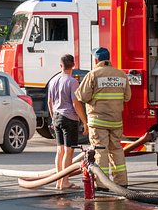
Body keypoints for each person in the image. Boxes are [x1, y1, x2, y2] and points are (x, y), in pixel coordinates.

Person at [75, 47, 131, 190]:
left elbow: (82, 96)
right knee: (117, 149)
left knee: (100, 151)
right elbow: (127, 97)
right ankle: (121, 182)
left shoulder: (93, 75)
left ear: (96, 60)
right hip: (116, 121)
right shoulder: (121, 75)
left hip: (98, 121)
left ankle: (102, 184)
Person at [48, 54, 88, 190]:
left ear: (60, 65)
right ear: (74, 65)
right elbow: (76, 103)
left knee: (59, 150)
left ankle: (58, 181)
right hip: (69, 118)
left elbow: (49, 102)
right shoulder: (72, 82)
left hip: (57, 117)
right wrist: (84, 121)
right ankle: (65, 181)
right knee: (69, 150)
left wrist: (53, 117)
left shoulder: (53, 81)